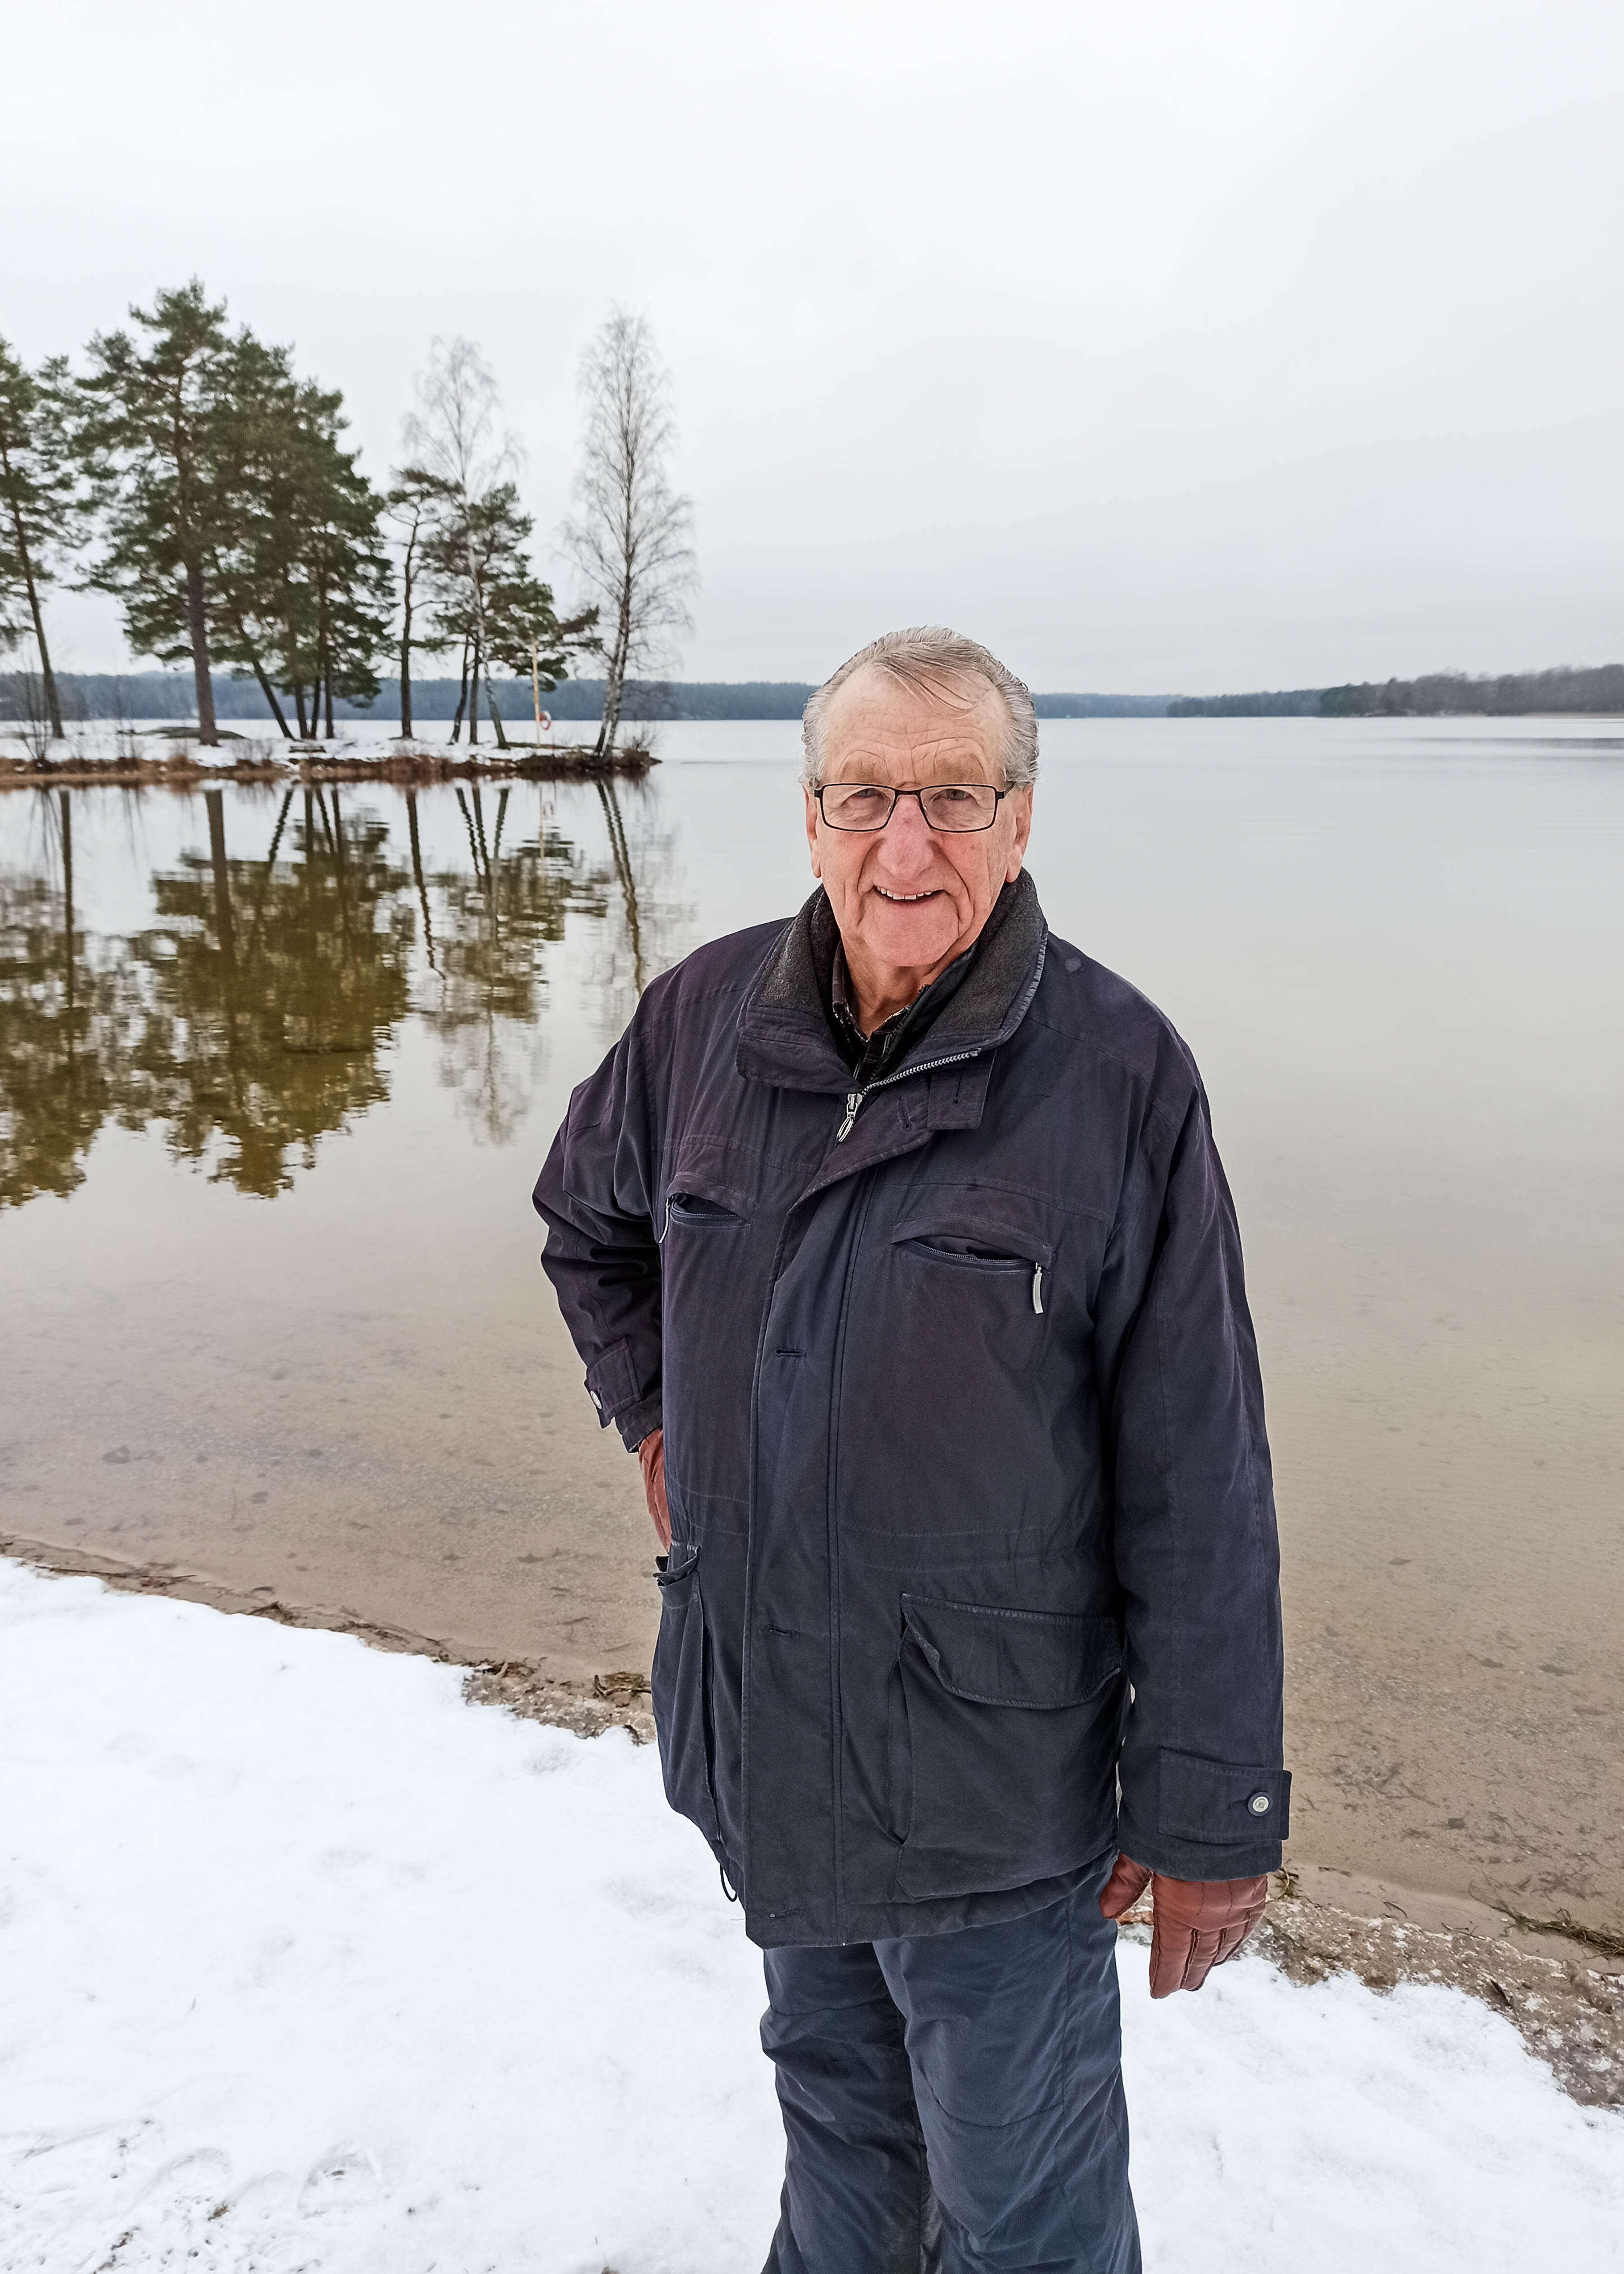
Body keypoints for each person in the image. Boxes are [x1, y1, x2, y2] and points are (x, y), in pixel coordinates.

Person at [535, 627, 1288, 2273]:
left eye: (952, 796)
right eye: (865, 793)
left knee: (1026, 2206)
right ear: (807, 814)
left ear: (1021, 821)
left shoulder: (1115, 1074)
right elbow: (584, 1226)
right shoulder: (700, 1024)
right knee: (840, 2135)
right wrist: (657, 1417)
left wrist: (1209, 1813)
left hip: (989, 1789)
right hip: (768, 1739)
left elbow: (1198, 1469)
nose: (904, 846)